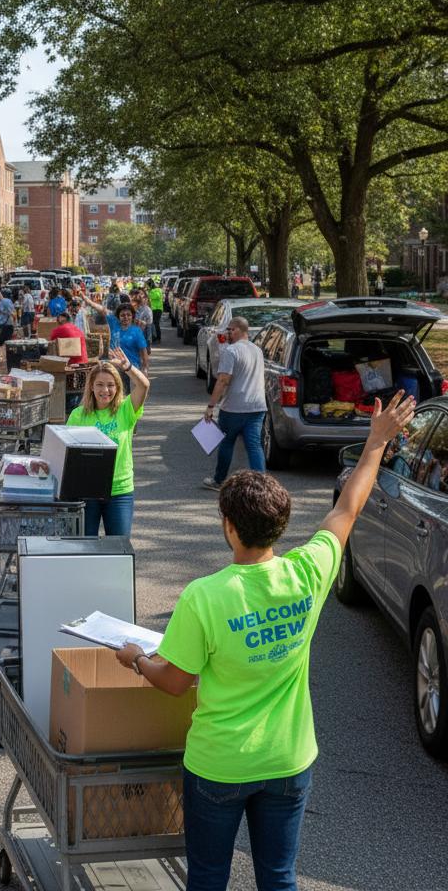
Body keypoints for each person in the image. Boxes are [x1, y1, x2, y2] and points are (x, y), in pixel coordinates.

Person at [114, 392, 415, 891]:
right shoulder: (309, 570)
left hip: (220, 764)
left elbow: (174, 682)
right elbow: (348, 506)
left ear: (230, 527)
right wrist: (375, 443)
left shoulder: (205, 597)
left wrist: (138, 660)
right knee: (278, 877)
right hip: (289, 757)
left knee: (209, 877)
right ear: (281, 524)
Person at [66, 351, 149, 537]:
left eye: (111, 385)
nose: (105, 390)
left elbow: (143, 386)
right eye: (100, 385)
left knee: (119, 550)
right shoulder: (78, 415)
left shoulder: (126, 410)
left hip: (119, 491)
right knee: (85, 548)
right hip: (87, 490)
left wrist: (127, 367)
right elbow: (66, 453)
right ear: (91, 387)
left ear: (118, 387)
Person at [202, 316, 267, 491]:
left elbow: (223, 380)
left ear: (238, 330)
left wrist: (211, 406)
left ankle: (219, 480)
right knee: (254, 445)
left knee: (227, 442)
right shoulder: (257, 350)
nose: (227, 333)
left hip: (234, 407)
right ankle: (262, 484)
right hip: (257, 406)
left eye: (230, 329)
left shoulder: (231, 351)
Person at [0, 288, 16, 366]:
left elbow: (12, 313)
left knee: (1, 343)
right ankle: (3, 358)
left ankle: (2, 359)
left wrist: (14, 324)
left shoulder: (4, 302)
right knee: (4, 343)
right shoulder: (4, 302)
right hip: (4, 325)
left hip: (4, 325)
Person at [147, 279, 164, 344]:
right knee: (155, 323)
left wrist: (149, 293)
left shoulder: (152, 291)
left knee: (155, 323)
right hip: (158, 309)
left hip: (156, 309)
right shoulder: (159, 289)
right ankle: (156, 337)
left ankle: (157, 338)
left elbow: (156, 296)